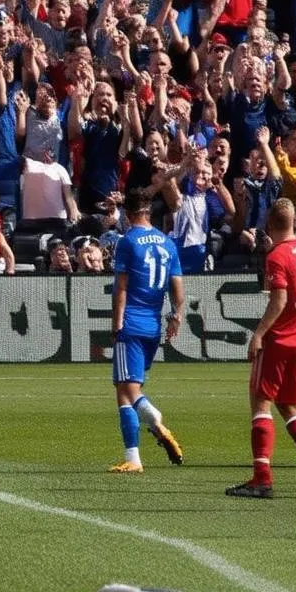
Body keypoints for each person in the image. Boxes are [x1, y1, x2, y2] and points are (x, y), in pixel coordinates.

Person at [226, 199, 296, 498]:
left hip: (278, 340)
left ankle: (262, 478)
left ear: (269, 224)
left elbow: (279, 300)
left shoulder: (277, 256)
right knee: (288, 405)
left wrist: (259, 334)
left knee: (261, 402)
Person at [109, 191, 185, 474]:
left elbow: (122, 286)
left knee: (127, 390)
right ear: (148, 213)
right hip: (153, 325)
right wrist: (176, 315)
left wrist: (117, 323)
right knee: (126, 388)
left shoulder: (128, 241)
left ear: (128, 215)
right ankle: (134, 458)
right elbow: (177, 283)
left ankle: (151, 420)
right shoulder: (167, 242)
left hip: (131, 322)